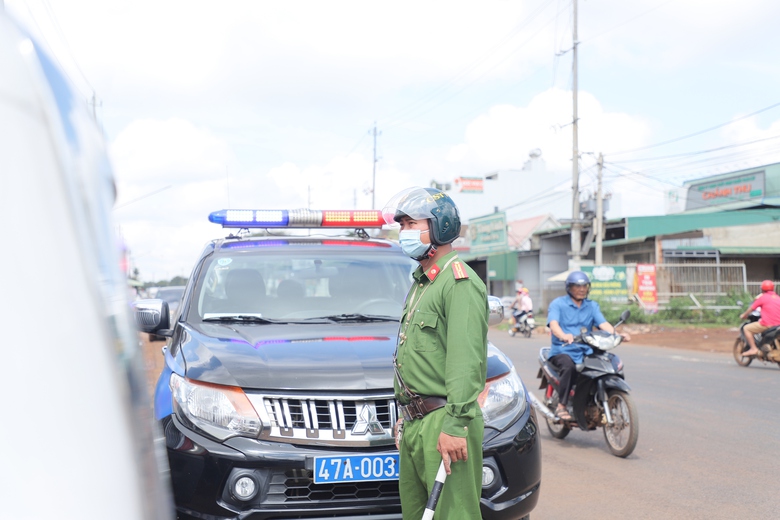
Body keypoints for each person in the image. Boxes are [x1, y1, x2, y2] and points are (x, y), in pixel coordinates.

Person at [382, 187, 488, 520]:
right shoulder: (423, 282)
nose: (405, 233)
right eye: (402, 226)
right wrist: (405, 415)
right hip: (416, 423)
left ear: (440, 227)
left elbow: (465, 363)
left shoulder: (459, 283)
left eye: (412, 224)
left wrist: (455, 426)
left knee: (451, 516)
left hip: (444, 422)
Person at [546, 270, 630, 421]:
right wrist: (564, 335)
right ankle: (562, 406)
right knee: (568, 367)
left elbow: (602, 323)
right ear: (569, 288)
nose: (581, 289)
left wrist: (617, 334)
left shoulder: (592, 306)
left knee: (604, 363)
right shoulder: (558, 304)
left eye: (584, 286)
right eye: (577, 286)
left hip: (586, 349)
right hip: (563, 350)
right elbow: (554, 324)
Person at [738, 280, 780, 356]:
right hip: (778, 325)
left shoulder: (762, 297)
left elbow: (751, 308)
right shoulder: (777, 298)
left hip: (767, 324)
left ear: (762, 289)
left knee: (747, 328)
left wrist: (744, 315)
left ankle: (753, 349)